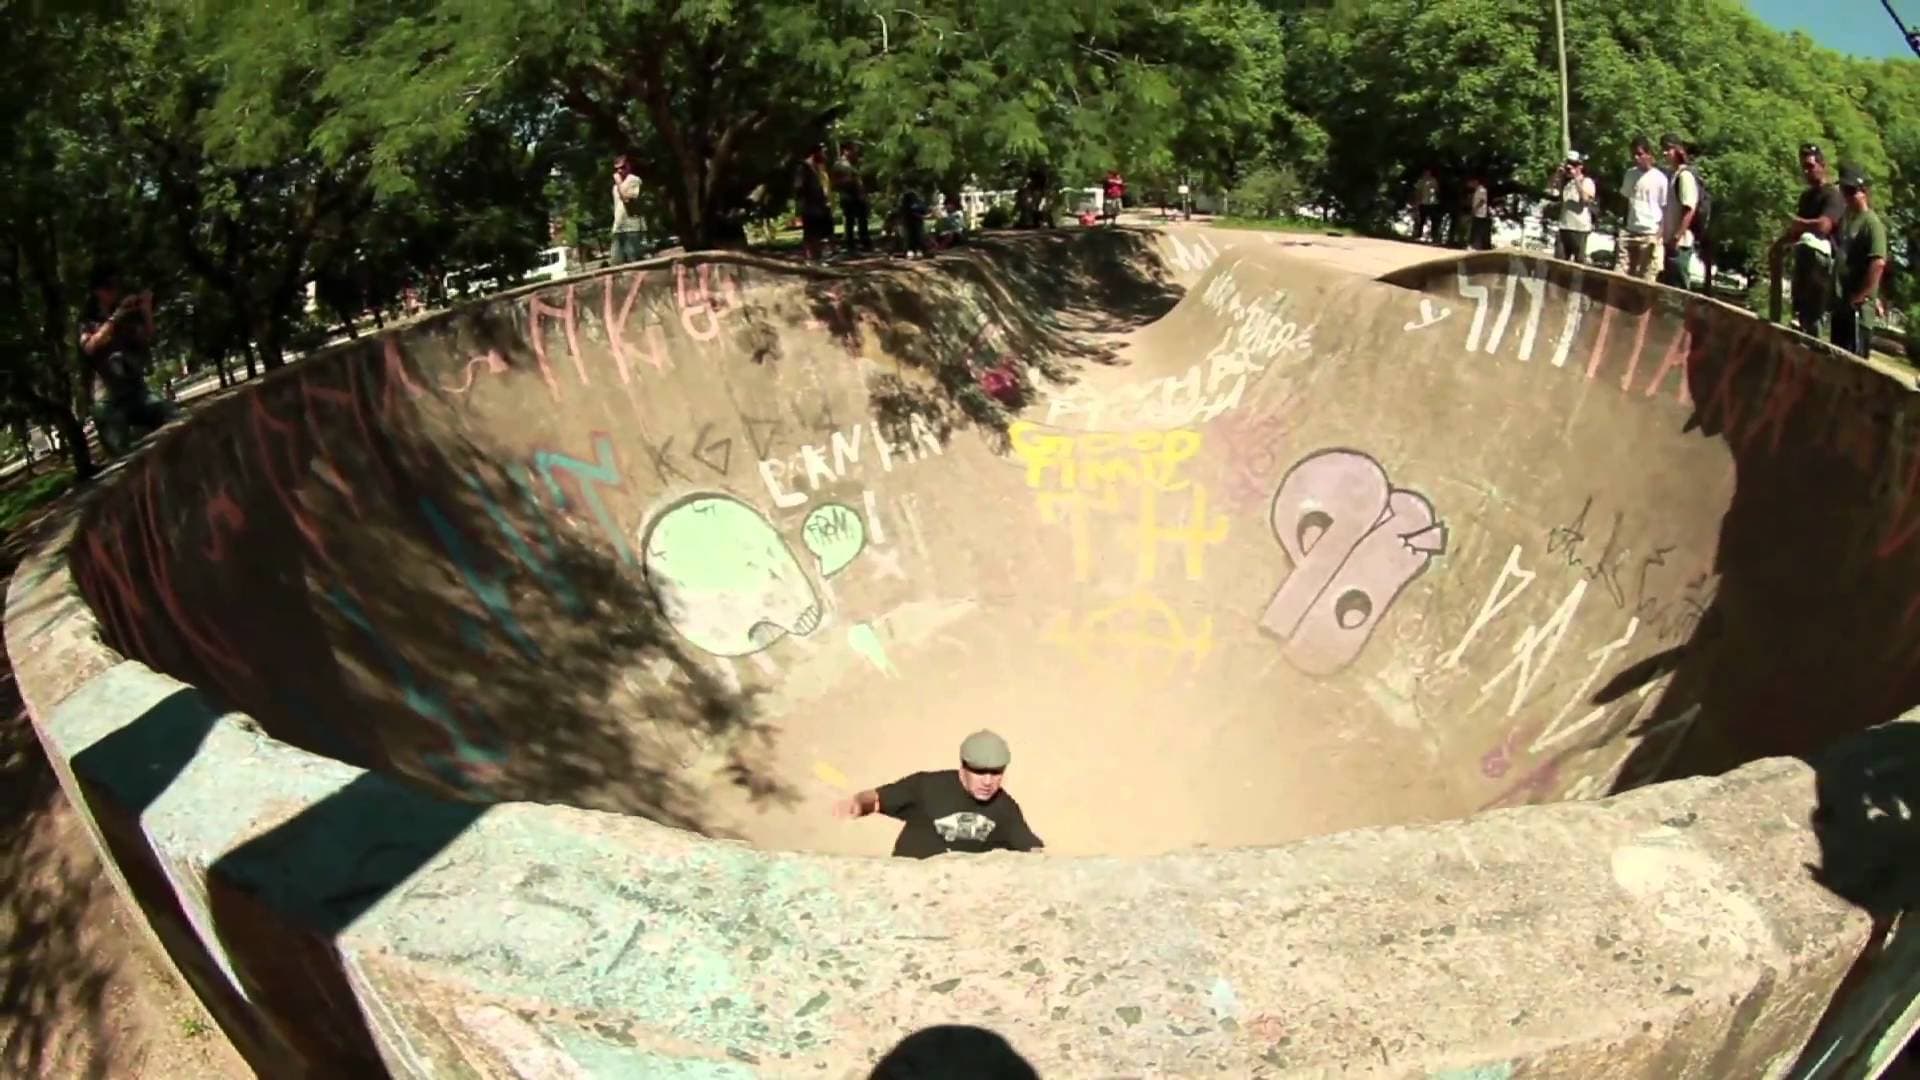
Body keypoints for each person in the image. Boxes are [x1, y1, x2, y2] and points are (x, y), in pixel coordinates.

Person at [834, 730, 1045, 858]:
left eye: (996, 772)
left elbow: (1031, 852)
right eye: (979, 772)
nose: (988, 781)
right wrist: (860, 803)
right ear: (963, 767)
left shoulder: (1005, 808)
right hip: (909, 885)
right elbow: (878, 799)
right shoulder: (927, 787)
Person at [78, 265, 180, 456]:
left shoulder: (127, 315)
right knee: (122, 453)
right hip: (108, 398)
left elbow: (147, 336)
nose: (115, 291)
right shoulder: (88, 321)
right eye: (109, 287)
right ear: (97, 291)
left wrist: (146, 310)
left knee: (170, 413)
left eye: (116, 286)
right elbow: (89, 347)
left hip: (135, 390)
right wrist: (115, 317)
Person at [1775, 143, 1848, 339]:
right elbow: (1796, 231)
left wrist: (1798, 223)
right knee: (1800, 245)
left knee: (1809, 241)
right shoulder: (1806, 197)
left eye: (1810, 166)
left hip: (1826, 259)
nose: (1806, 171)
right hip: (1806, 256)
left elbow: (1824, 226)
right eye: (1804, 167)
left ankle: (1811, 319)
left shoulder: (1834, 195)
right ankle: (1799, 315)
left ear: (1822, 165)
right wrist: (1779, 244)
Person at [1830, 164, 1888, 360]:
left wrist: (1861, 295)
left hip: (1858, 312)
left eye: (1851, 191)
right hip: (1842, 306)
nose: (1847, 196)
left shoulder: (1872, 224)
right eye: (1844, 191)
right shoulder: (1850, 220)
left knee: (1851, 366)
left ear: (1863, 191)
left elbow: (1878, 263)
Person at [1619, 136, 1669, 282]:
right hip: (1630, 231)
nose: (1636, 157)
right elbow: (1625, 200)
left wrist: (1658, 235)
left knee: (1646, 279)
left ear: (1649, 154)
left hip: (1649, 233)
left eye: (1640, 154)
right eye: (1633, 154)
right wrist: (1622, 226)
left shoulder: (1660, 179)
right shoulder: (1630, 174)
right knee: (1621, 276)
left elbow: (1665, 209)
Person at [1659, 133, 1701, 289]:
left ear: (1678, 150)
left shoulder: (1685, 176)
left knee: (1679, 291)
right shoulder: (1674, 176)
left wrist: (1677, 236)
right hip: (1671, 243)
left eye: (1668, 149)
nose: (1664, 153)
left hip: (1680, 245)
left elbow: (1689, 209)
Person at [1550, 152, 1596, 264]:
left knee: (1579, 262)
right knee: (1558, 263)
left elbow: (1585, 201)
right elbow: (1552, 190)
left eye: (1573, 164)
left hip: (1579, 229)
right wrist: (1558, 174)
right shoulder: (1566, 183)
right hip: (1564, 226)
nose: (1570, 167)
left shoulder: (1587, 182)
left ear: (1580, 166)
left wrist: (1576, 178)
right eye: (1568, 164)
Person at [794, 143, 835, 263]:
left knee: (820, 234)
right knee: (811, 235)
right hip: (810, 207)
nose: (825, 155)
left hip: (820, 206)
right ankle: (810, 259)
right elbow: (798, 187)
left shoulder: (818, 168)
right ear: (815, 152)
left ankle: (818, 259)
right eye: (823, 152)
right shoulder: (803, 167)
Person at [833, 142, 872, 253]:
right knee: (850, 221)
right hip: (848, 196)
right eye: (853, 150)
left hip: (857, 196)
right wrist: (852, 181)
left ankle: (865, 244)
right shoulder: (840, 165)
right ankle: (851, 245)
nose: (856, 153)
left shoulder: (853, 164)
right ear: (846, 150)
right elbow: (836, 182)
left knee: (862, 220)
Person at [610, 155, 647, 264]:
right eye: (616, 169)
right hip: (618, 227)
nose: (619, 171)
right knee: (616, 263)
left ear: (628, 166)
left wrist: (619, 183)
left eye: (622, 167)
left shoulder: (634, 180)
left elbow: (626, 199)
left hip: (632, 227)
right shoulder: (615, 187)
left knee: (634, 262)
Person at [1412, 167, 1442, 244]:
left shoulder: (1433, 180)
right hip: (1423, 202)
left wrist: (1434, 192)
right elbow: (1417, 191)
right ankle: (1419, 236)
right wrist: (1417, 201)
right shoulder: (1421, 181)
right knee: (1422, 220)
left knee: (1433, 220)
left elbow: (1437, 191)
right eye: (1426, 172)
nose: (1427, 174)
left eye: (1429, 172)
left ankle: (1433, 237)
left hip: (1432, 203)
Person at [1466, 178, 1493, 251]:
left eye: (1471, 183)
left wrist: (1475, 209)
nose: (1470, 185)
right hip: (1477, 213)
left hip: (1480, 214)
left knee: (1478, 230)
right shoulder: (1477, 190)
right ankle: (1474, 245)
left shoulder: (1482, 190)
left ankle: (1477, 246)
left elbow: (1482, 201)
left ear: (1476, 182)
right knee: (1474, 229)